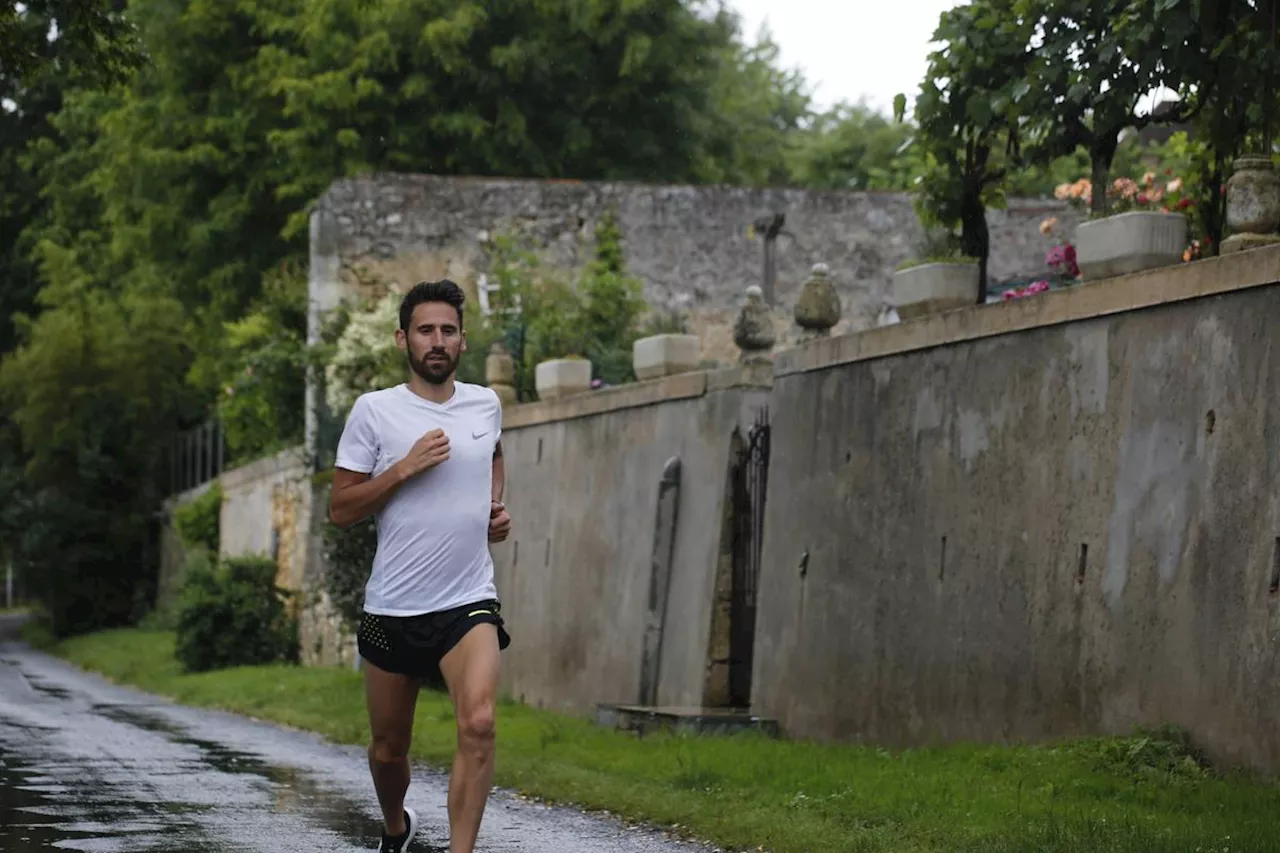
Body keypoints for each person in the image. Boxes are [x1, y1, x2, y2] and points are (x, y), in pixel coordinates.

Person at [327, 279, 512, 853]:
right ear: (403, 338)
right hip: (393, 607)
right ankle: (394, 826)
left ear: (462, 340)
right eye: (426, 330)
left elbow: (494, 455)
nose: (438, 341)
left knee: (479, 724)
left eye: (448, 331)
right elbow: (340, 509)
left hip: (467, 601)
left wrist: (491, 508)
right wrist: (403, 469)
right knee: (388, 750)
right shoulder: (375, 412)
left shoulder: (486, 404)